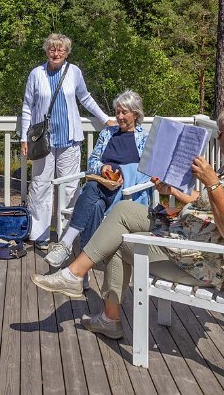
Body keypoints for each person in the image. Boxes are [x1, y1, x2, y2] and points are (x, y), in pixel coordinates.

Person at [31, 103, 224, 340]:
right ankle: (78, 278)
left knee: (117, 240)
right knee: (125, 209)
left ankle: (98, 304)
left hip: (198, 260)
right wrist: (175, 192)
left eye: (221, 134)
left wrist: (212, 181)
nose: (219, 140)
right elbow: (208, 203)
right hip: (184, 235)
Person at [20, 33, 115, 250]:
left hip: (69, 140)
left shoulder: (74, 72)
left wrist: (104, 119)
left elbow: (85, 98)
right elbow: (27, 106)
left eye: (60, 50)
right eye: (52, 49)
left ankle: (66, 237)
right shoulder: (36, 74)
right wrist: (24, 136)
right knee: (40, 186)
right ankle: (40, 235)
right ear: (46, 51)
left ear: (67, 52)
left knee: (70, 188)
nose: (56, 53)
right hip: (42, 140)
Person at [44, 90, 151, 271]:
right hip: (103, 187)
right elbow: (93, 160)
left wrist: (123, 174)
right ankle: (82, 271)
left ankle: (67, 244)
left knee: (91, 188)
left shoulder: (144, 138)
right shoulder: (108, 133)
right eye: (117, 112)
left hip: (126, 194)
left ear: (135, 114)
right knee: (94, 204)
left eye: (124, 112)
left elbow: (147, 173)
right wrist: (102, 168)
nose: (119, 116)